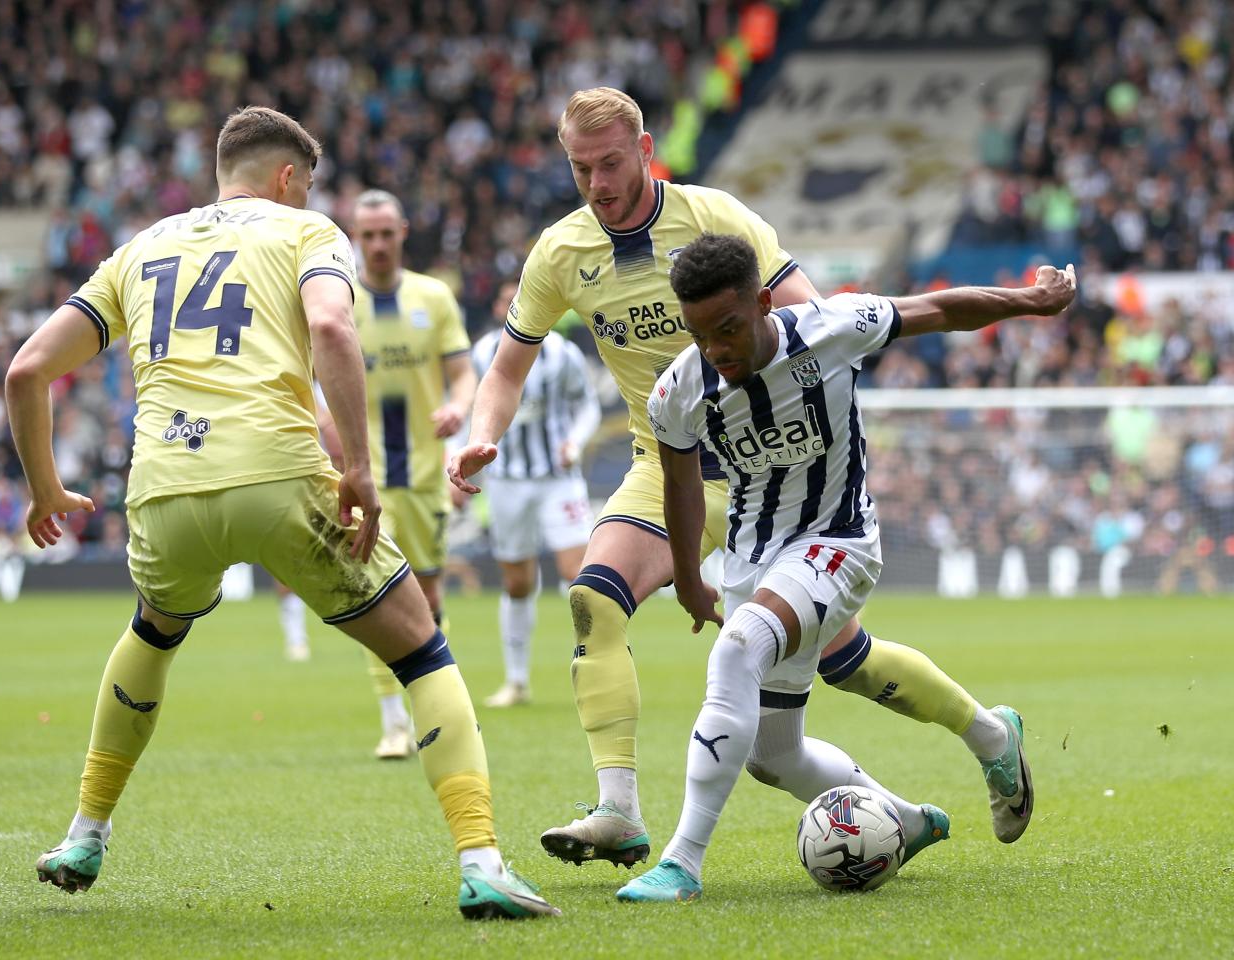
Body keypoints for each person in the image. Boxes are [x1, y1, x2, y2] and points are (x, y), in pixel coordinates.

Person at [447, 86, 1022, 867]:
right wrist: (482, 434)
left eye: (611, 163)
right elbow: (509, 366)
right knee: (594, 596)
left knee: (841, 659)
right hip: (668, 469)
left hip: (768, 470)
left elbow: (807, 319)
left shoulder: (713, 218)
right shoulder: (561, 253)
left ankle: (987, 734)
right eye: (581, 168)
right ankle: (619, 811)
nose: (598, 182)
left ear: (645, 151)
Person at [9, 106, 556, 920]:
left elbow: (25, 371)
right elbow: (333, 325)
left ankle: (86, 831)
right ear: (289, 177)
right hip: (276, 473)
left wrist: (45, 490)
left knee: (155, 630)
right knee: (423, 651)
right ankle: (482, 863)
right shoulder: (306, 232)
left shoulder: (143, 246)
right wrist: (360, 470)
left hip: (163, 488)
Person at [617, 234, 1062, 901]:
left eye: (730, 328)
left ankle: (682, 862)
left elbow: (941, 310)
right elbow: (679, 484)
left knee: (739, 651)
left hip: (839, 541)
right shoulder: (679, 390)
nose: (717, 349)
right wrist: (687, 576)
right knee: (775, 754)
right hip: (754, 560)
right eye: (701, 333)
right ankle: (933, 794)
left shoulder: (833, 327)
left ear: (765, 302)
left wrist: (1032, 299)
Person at [350, 189, 477, 758]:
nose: (377, 244)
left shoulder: (433, 296)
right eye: (367, 235)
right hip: (367, 475)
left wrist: (458, 406)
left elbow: (463, 373)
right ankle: (393, 724)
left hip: (426, 475)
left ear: (402, 231)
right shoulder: (338, 301)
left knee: (426, 598)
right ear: (356, 237)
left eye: (385, 233)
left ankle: (431, 706)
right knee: (371, 596)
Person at [470, 281, 601, 707]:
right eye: (509, 304)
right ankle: (517, 681)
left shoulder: (563, 355)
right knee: (518, 581)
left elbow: (588, 406)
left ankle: (596, 668)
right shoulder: (482, 354)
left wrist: (575, 443)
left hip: (557, 478)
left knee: (578, 575)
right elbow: (472, 411)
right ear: (498, 309)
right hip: (507, 480)